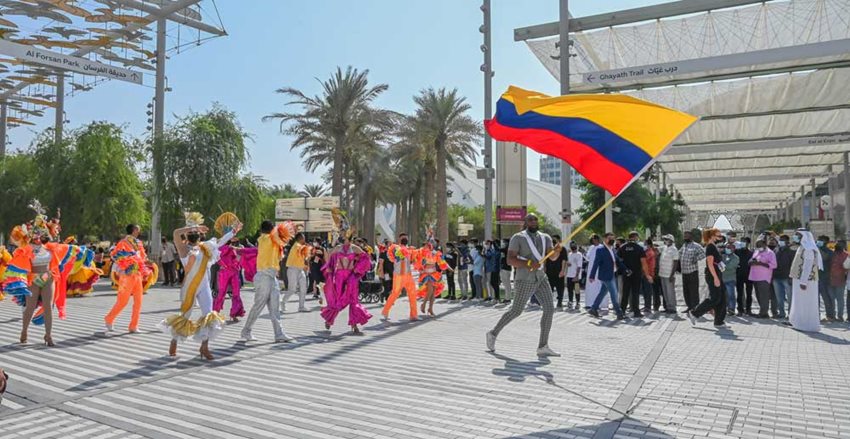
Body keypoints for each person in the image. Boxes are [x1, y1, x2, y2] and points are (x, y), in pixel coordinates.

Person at [160, 217, 240, 359]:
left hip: (204, 287)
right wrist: (194, 227)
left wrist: (233, 231)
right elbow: (176, 232)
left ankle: (204, 347)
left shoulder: (205, 247)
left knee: (209, 316)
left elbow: (221, 241)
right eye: (194, 232)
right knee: (185, 316)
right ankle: (174, 341)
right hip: (190, 288)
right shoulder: (184, 249)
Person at [486, 214, 560, 357]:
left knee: (550, 309)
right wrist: (528, 263)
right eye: (530, 220)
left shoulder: (546, 238)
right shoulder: (518, 237)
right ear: (525, 223)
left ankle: (543, 346)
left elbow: (552, 257)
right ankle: (493, 333)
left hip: (541, 278)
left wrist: (556, 251)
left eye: (535, 219)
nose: (533, 222)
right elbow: (510, 260)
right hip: (524, 278)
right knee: (516, 311)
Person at [241, 221, 294, 343]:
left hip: (271, 276)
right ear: (271, 230)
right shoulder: (265, 239)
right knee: (258, 306)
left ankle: (279, 333)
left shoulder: (272, 241)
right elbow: (278, 237)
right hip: (264, 276)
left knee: (275, 307)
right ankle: (246, 331)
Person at [102, 224, 150, 335]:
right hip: (127, 275)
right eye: (138, 228)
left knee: (138, 301)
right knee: (123, 301)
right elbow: (115, 256)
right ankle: (109, 318)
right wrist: (127, 262)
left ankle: (133, 326)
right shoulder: (123, 242)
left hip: (137, 274)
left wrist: (145, 263)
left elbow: (143, 257)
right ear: (134, 230)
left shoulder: (139, 243)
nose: (139, 230)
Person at [321, 234, 372, 334]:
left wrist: (357, 269)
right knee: (338, 299)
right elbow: (327, 255)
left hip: (351, 277)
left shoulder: (355, 248)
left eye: (346, 238)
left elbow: (366, 258)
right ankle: (329, 320)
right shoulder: (338, 248)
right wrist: (329, 266)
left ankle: (354, 325)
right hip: (339, 277)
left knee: (353, 300)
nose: (345, 239)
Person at [686, 228, 727, 328]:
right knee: (715, 298)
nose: (720, 237)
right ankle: (695, 313)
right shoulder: (710, 247)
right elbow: (710, 264)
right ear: (711, 236)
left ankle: (719, 321)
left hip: (717, 273)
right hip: (713, 275)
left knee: (722, 297)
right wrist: (715, 278)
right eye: (718, 235)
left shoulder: (714, 246)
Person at [587, 232, 627, 320]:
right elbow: (595, 264)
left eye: (613, 238)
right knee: (614, 293)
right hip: (606, 276)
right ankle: (619, 313)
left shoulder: (612, 249)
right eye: (610, 238)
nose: (612, 240)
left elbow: (617, 261)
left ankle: (593, 308)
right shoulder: (600, 250)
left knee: (603, 293)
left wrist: (626, 269)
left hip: (612, 274)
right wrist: (592, 275)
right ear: (605, 239)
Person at [788, 230, 822, 332]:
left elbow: (807, 266)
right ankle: (798, 322)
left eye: (798, 235)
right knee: (799, 301)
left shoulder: (809, 249)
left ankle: (806, 325)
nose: (795, 237)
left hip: (806, 281)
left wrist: (803, 282)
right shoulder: (802, 247)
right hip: (799, 279)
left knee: (806, 302)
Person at [381, 233, 418, 322]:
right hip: (398, 275)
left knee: (412, 294)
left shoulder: (410, 250)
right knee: (395, 293)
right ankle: (385, 311)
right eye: (403, 237)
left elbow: (413, 261)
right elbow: (391, 258)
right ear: (399, 239)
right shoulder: (395, 248)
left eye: (406, 237)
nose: (405, 238)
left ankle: (413, 315)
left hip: (408, 275)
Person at [618, 231, 650, 318]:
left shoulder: (622, 247)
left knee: (625, 292)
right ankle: (636, 311)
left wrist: (624, 269)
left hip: (626, 273)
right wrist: (647, 274)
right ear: (635, 237)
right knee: (635, 293)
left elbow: (618, 260)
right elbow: (643, 262)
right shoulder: (639, 248)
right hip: (636, 273)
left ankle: (622, 311)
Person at [213, 236, 245, 323]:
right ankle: (216, 313)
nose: (234, 239)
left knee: (232, 293)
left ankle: (232, 314)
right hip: (227, 272)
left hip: (232, 272)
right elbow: (217, 257)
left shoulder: (238, 248)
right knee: (225, 293)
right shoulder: (225, 247)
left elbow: (240, 258)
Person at [415, 241, 451, 317]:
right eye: (425, 246)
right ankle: (423, 304)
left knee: (433, 293)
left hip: (434, 274)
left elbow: (442, 262)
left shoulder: (435, 253)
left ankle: (430, 309)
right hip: (426, 274)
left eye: (428, 246)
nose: (426, 247)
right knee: (430, 290)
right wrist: (420, 269)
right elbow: (417, 263)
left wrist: (448, 268)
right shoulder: (421, 253)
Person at [749, 239, 777, 318]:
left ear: (765, 245)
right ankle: (762, 311)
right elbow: (752, 259)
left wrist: (761, 263)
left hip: (764, 277)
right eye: (757, 245)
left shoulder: (770, 253)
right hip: (755, 276)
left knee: (764, 296)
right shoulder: (756, 251)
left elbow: (774, 265)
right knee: (758, 295)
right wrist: (751, 261)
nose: (758, 247)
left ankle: (764, 313)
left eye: (760, 245)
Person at [282, 232, 309, 313]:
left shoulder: (300, 246)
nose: (304, 239)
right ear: (300, 239)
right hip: (292, 269)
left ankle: (301, 306)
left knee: (303, 288)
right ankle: (283, 302)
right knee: (292, 290)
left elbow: (304, 258)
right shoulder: (297, 246)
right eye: (303, 238)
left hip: (300, 270)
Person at [679, 230, 705, 312]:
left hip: (692, 272)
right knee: (686, 290)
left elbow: (703, 254)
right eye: (684, 235)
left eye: (687, 235)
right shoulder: (684, 246)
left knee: (693, 290)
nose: (685, 237)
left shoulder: (696, 246)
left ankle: (695, 307)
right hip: (684, 272)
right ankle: (689, 306)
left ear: (691, 236)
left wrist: (695, 259)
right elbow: (678, 254)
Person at [773, 234, 795, 319]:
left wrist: (791, 277)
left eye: (782, 240)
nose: (780, 241)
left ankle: (790, 314)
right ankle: (781, 313)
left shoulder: (791, 251)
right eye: (780, 240)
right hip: (776, 277)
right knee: (779, 298)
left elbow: (793, 265)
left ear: (787, 241)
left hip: (787, 277)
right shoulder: (776, 250)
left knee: (790, 298)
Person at [658, 234, 679, 314]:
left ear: (671, 240)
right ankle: (667, 307)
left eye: (666, 239)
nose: (665, 241)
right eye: (665, 239)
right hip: (662, 274)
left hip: (669, 274)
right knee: (665, 292)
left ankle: (672, 308)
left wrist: (672, 275)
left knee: (670, 292)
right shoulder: (665, 248)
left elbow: (675, 262)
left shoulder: (674, 249)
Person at [545, 235, 568, 309]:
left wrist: (562, 270)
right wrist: (544, 268)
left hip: (559, 271)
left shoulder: (562, 249)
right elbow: (545, 260)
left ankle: (559, 302)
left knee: (560, 287)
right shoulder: (548, 249)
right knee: (549, 287)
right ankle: (549, 302)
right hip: (549, 271)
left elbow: (564, 260)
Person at [827, 239, 847, 322]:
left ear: (844, 246)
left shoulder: (846, 255)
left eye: (841, 244)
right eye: (837, 243)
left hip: (840, 280)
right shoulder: (831, 253)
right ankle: (832, 315)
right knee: (831, 298)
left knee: (840, 299)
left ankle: (840, 316)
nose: (838, 245)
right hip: (830, 280)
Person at [583, 234, 604, 310]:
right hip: (590, 270)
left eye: (594, 239)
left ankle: (598, 303)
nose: (593, 241)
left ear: (597, 239)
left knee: (598, 286)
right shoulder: (591, 247)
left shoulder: (602, 247)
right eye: (592, 239)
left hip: (598, 270)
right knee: (590, 286)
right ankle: (589, 303)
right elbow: (588, 257)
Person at [817, 235, 835, 321]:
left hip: (825, 279)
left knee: (826, 298)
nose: (819, 241)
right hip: (815, 278)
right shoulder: (815, 251)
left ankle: (830, 316)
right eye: (818, 240)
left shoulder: (830, 252)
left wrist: (818, 249)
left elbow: (824, 258)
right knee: (815, 299)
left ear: (826, 242)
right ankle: (816, 316)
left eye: (821, 240)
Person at [735, 237, 754, 315]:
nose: (742, 243)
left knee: (749, 293)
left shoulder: (751, 253)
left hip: (749, 275)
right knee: (739, 293)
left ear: (748, 243)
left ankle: (748, 309)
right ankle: (740, 309)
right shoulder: (736, 252)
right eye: (741, 241)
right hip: (739, 275)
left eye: (744, 241)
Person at [721, 243, 740, 316]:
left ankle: (731, 309)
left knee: (731, 295)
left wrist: (722, 266)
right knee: (723, 296)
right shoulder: (723, 256)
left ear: (734, 249)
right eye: (727, 247)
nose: (728, 249)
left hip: (730, 279)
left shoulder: (736, 258)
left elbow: (730, 267)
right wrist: (722, 266)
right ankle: (723, 309)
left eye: (730, 248)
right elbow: (718, 265)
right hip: (722, 279)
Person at [643, 238, 659, 312]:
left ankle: (648, 307)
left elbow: (644, 261)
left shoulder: (649, 253)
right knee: (645, 291)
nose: (644, 245)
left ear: (648, 245)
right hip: (645, 273)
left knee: (648, 291)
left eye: (645, 244)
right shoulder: (647, 251)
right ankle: (646, 305)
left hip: (648, 274)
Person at [566, 241, 583, 310]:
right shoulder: (569, 254)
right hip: (569, 275)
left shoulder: (579, 254)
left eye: (574, 244)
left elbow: (579, 266)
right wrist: (567, 264)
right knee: (570, 290)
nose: (572, 246)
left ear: (576, 245)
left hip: (576, 276)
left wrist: (576, 276)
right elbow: (568, 262)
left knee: (577, 290)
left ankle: (578, 303)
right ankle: (570, 301)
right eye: (571, 245)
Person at [499, 238, 513, 304]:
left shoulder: (508, 248)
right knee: (506, 284)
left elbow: (499, 249)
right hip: (504, 268)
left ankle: (508, 299)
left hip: (506, 268)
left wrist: (495, 244)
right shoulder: (507, 248)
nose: (503, 243)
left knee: (507, 284)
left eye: (504, 242)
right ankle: (507, 298)